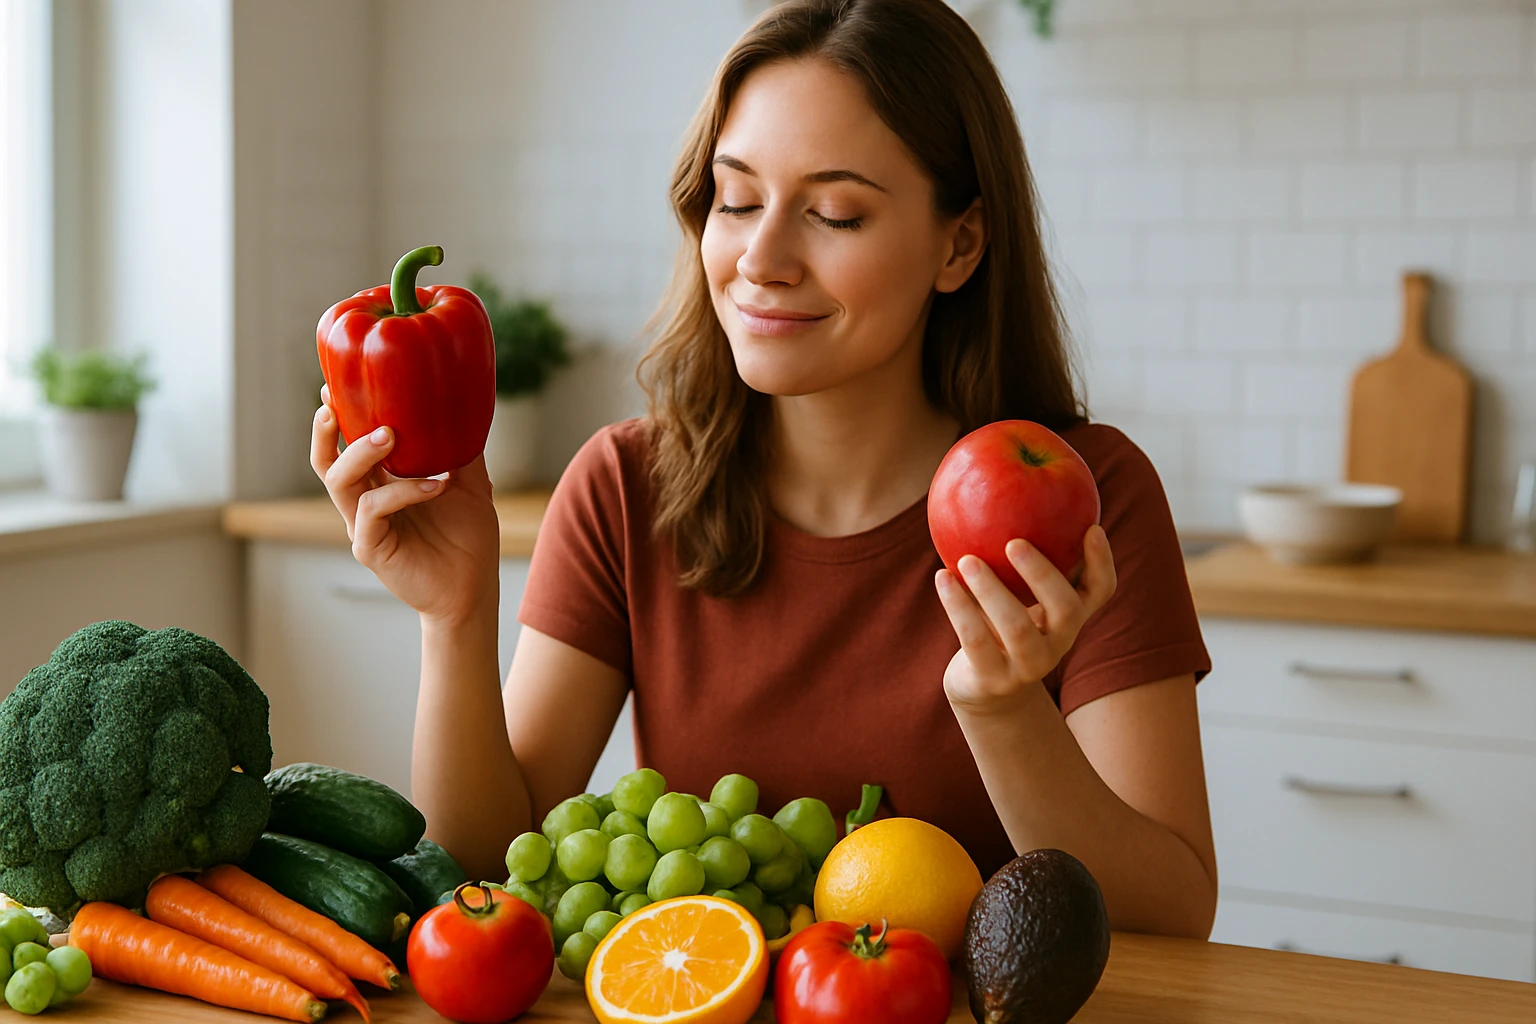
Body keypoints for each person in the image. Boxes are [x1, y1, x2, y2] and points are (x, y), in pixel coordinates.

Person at [311, 0, 1217, 938]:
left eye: (834, 213)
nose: (761, 258)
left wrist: (1004, 711)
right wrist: (454, 617)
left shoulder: (1085, 499)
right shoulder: (625, 486)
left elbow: (1173, 916)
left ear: (961, 243)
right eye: (736, 200)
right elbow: (481, 873)